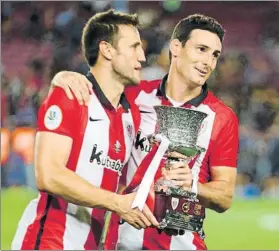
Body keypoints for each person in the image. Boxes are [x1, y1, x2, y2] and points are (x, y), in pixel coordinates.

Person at [50, 13, 239, 250]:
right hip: (123, 241)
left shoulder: (222, 117)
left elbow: (224, 197)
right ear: (176, 47)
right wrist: (65, 77)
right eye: (201, 49)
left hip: (184, 244)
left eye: (215, 55)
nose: (208, 62)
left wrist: (192, 185)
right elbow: (95, 88)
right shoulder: (134, 95)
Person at [11, 9, 159, 250]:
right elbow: (49, 176)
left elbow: (116, 184)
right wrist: (117, 203)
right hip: (51, 242)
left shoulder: (129, 114)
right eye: (134, 47)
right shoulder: (71, 96)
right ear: (107, 49)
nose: (142, 56)